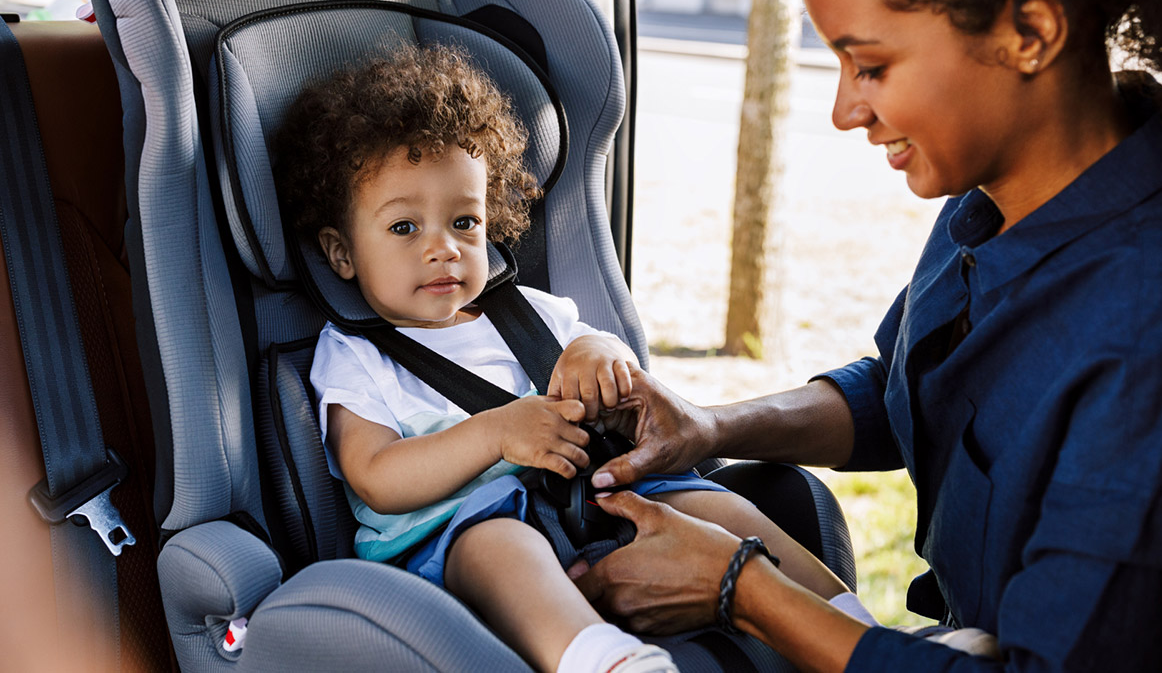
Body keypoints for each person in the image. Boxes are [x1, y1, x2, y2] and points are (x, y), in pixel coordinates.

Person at [569, 0, 1162, 670]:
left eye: (871, 65)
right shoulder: (990, 202)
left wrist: (740, 587)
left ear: (1031, 32)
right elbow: (909, 395)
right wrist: (710, 427)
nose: (843, 109)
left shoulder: (1158, 330)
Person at [271, 43, 851, 673]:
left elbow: (602, 358)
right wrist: (496, 432)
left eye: (464, 222)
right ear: (341, 252)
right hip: (452, 537)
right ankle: (605, 661)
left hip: (592, 498)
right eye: (405, 228)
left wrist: (600, 354)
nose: (443, 249)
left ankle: (855, 628)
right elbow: (375, 476)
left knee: (711, 507)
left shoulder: (529, 313)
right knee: (500, 544)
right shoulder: (356, 355)